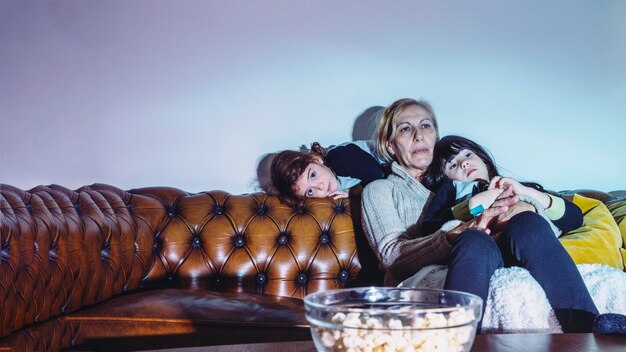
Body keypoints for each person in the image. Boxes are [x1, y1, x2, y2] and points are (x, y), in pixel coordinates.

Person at [360, 97, 625, 333]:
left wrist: (526, 205)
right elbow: (392, 257)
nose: (418, 135)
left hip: (515, 242)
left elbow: (565, 215)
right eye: (405, 129)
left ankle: (590, 330)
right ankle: (459, 339)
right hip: (470, 252)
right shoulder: (381, 189)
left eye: (426, 125)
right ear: (390, 145)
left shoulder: (474, 182)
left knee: (529, 223)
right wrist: (460, 229)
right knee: (474, 240)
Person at [420, 135, 582, 236]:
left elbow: (575, 218)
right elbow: (428, 229)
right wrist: (471, 207)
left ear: (482, 157)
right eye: (452, 165)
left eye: (468, 154)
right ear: (446, 178)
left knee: (527, 218)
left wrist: (525, 191)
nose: (464, 163)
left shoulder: (514, 185)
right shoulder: (451, 190)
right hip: (484, 242)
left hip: (530, 231)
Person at [270, 140, 386, 205]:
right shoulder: (330, 177)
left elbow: (377, 175)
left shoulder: (340, 159)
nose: (320, 186)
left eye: (313, 175)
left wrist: (357, 194)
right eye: (310, 191)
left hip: (390, 153)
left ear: (316, 160)